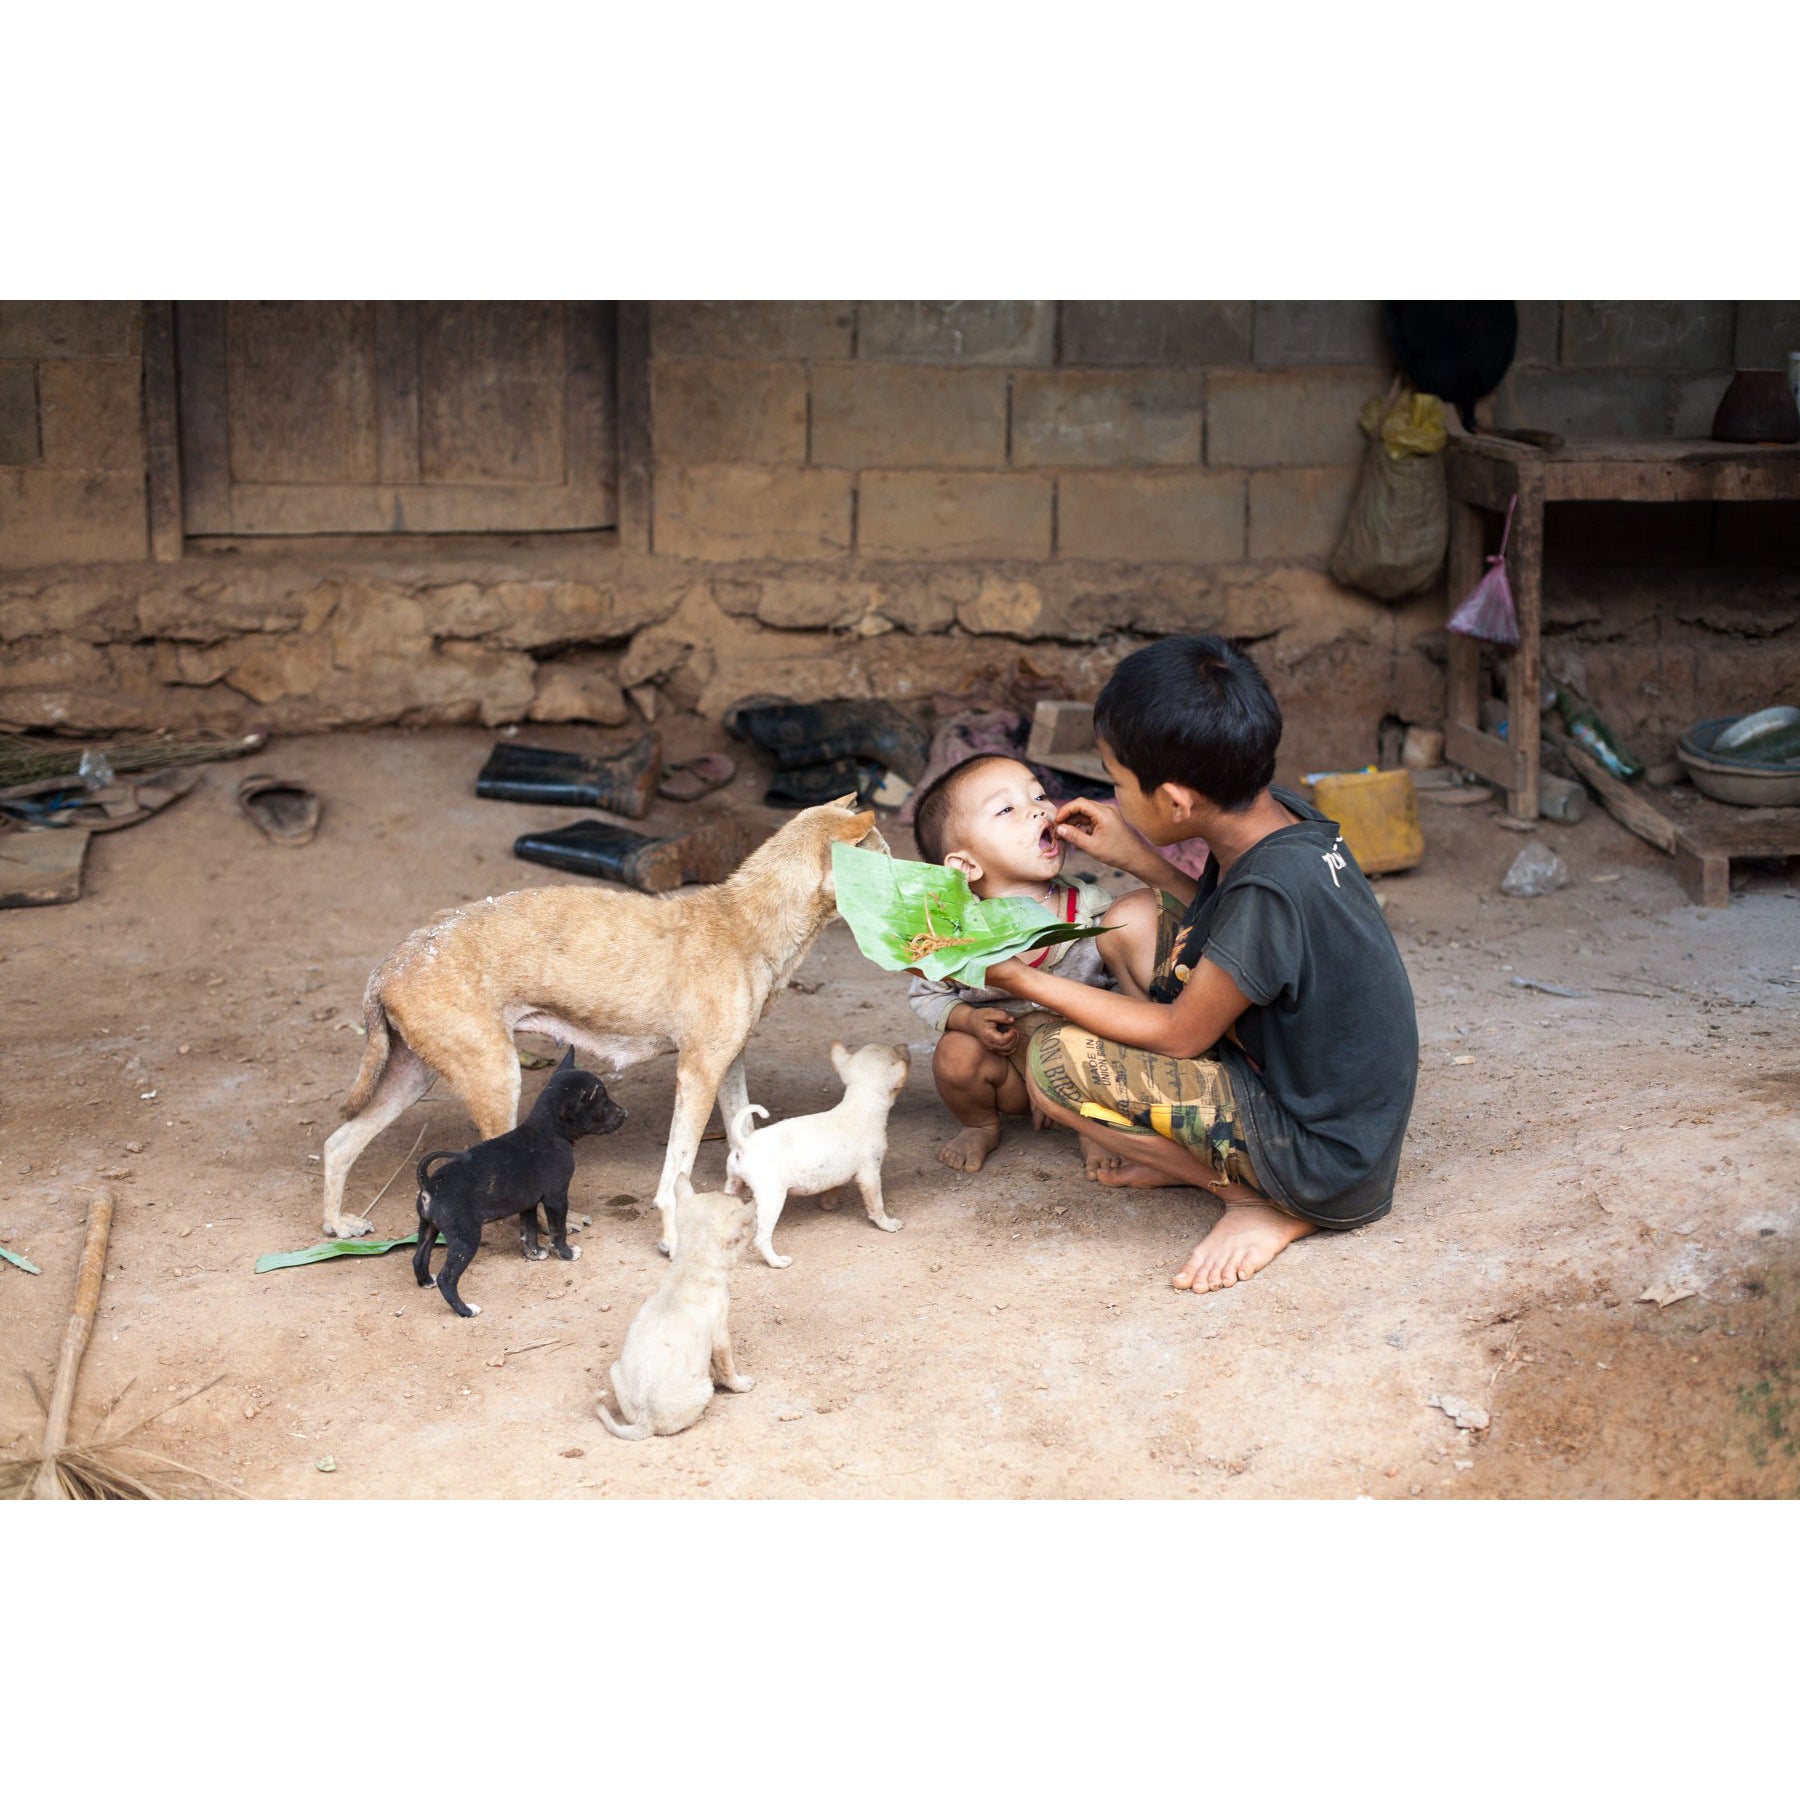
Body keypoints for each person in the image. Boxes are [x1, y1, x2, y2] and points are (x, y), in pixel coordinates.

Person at [980, 635, 1419, 1293]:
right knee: (1133, 919)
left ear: (1178, 801)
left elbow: (1182, 1034)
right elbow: (1233, 922)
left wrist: (1025, 980)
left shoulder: (1271, 890)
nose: (1114, 794)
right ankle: (1224, 1161)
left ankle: (1256, 1200)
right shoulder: (1284, 823)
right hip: (1330, 1098)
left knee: (1052, 1067)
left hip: (1324, 1158)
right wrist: (1135, 855)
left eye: (1120, 782)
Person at [906, 753, 1130, 1174]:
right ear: (966, 865)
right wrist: (970, 1023)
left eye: (1039, 795)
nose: (1038, 809)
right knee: (955, 1054)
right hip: (1007, 1073)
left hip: (1084, 1070)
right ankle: (980, 1124)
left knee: (1112, 1041)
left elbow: (1125, 991)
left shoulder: (1095, 913)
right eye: (1007, 809)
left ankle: (1093, 1126)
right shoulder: (953, 932)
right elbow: (927, 994)